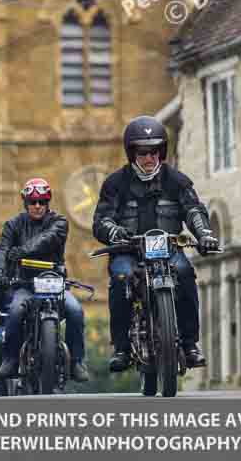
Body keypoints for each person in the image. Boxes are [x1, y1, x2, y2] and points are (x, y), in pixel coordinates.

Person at [92, 115, 219, 373]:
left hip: (169, 250)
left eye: (154, 152)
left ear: (161, 152)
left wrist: (204, 234)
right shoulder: (115, 184)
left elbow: (194, 210)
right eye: (142, 152)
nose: (149, 158)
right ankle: (121, 348)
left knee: (184, 273)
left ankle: (190, 344)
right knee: (121, 277)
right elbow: (101, 219)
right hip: (129, 252)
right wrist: (115, 231)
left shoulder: (177, 180)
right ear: (132, 153)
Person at [0, 177, 89, 383]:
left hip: (55, 283)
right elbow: (2, 248)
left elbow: (48, 238)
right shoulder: (12, 225)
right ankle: (10, 360)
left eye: (42, 202)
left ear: (48, 203)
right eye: (32, 202)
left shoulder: (59, 222)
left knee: (75, 311)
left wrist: (22, 251)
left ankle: (77, 362)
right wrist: (0, 271)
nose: (37, 206)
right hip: (26, 285)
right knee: (15, 311)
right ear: (25, 203)